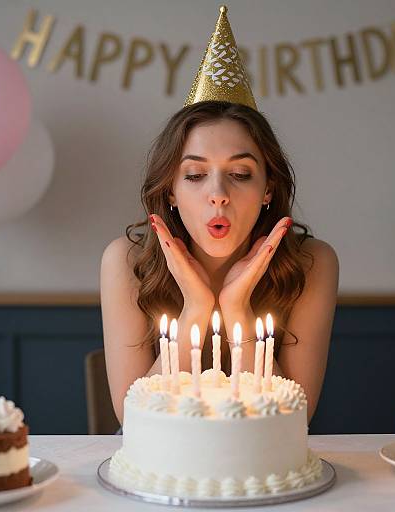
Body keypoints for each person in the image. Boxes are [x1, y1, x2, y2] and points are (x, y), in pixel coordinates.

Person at [100, 7, 339, 427]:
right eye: (194, 175)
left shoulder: (312, 262)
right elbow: (132, 420)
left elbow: (295, 419)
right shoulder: (125, 262)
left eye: (240, 174)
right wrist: (196, 306)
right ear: (170, 191)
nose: (218, 195)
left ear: (268, 189)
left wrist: (235, 308)